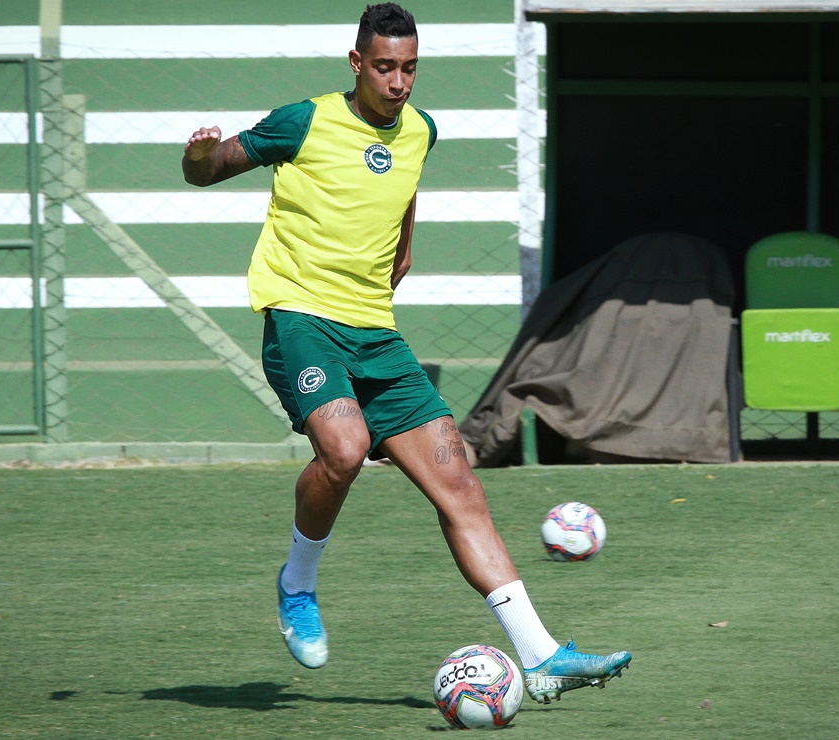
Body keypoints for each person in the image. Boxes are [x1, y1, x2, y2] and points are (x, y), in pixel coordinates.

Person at [182, 2, 630, 704]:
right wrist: (200, 152)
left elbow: (401, 188)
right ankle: (297, 584)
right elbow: (209, 171)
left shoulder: (421, 131)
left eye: (410, 68)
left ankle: (542, 655)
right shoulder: (304, 120)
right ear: (357, 63)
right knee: (345, 447)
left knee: (461, 486)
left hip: (376, 333)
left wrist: (406, 245)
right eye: (385, 67)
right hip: (302, 320)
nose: (398, 82)